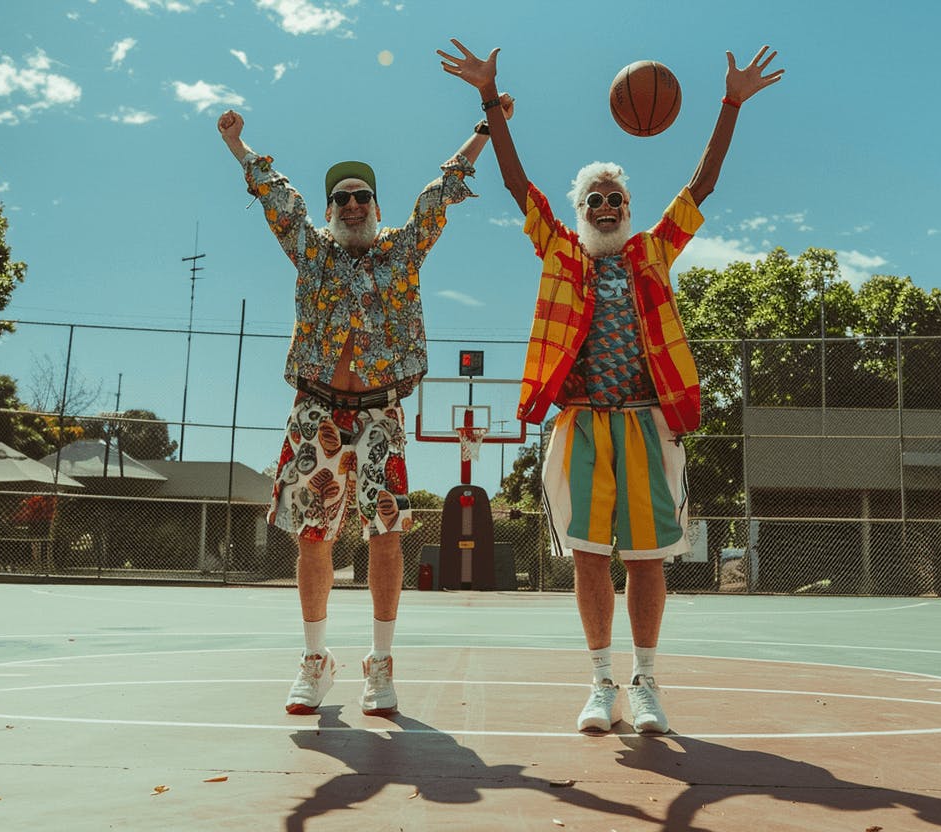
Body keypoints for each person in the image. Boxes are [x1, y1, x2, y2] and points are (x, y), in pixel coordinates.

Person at [440, 39, 783, 734]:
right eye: (594, 198)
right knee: (591, 559)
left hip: (646, 423)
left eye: (616, 197)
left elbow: (703, 186)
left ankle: (647, 681)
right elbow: (514, 183)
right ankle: (601, 682)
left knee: (649, 560)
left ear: (628, 209)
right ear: (580, 211)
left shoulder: (653, 252)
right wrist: (487, 98)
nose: (605, 204)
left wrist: (731, 104)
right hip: (581, 424)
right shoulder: (561, 253)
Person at [217, 101, 510, 717]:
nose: (353, 205)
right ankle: (316, 660)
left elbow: (440, 194)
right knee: (314, 536)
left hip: (380, 413)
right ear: (329, 212)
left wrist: (484, 128)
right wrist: (241, 148)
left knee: (384, 535)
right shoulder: (311, 251)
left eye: (363, 197)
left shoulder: (402, 251)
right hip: (317, 413)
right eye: (342, 198)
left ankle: (379, 666)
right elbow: (277, 196)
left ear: (377, 208)